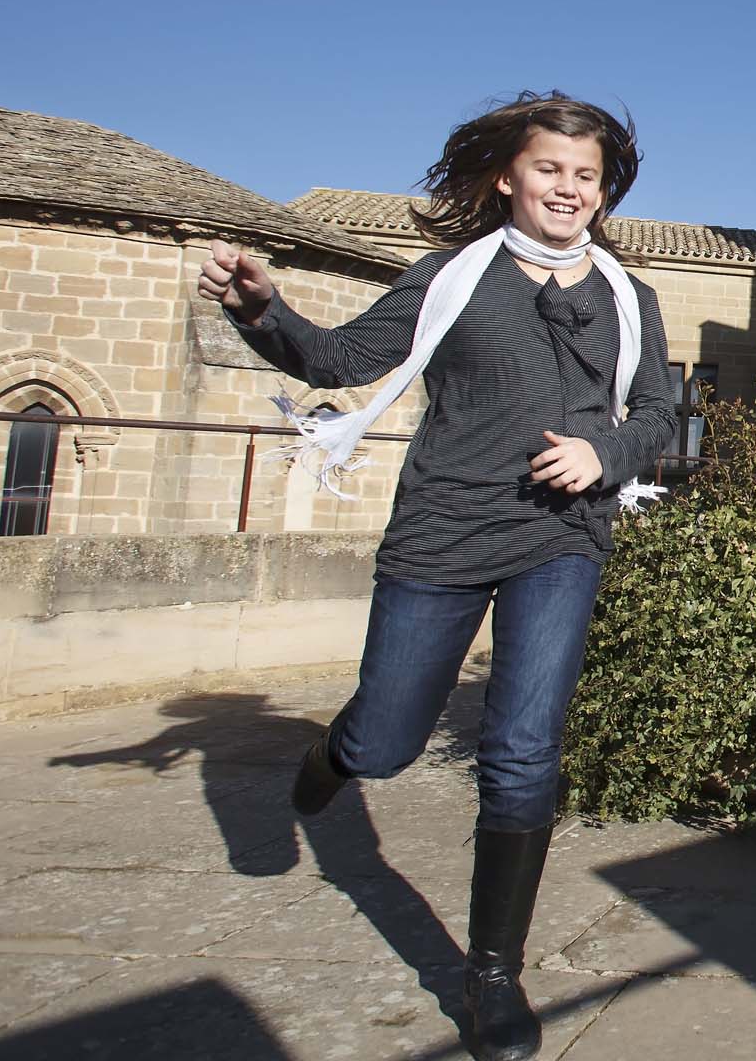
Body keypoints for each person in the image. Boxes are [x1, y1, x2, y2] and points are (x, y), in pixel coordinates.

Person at [197, 91, 677, 1061]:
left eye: (587, 176)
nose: (569, 190)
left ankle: (491, 972)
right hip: (443, 535)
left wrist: (607, 457)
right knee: (386, 742)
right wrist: (263, 308)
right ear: (509, 174)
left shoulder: (631, 298)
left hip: (563, 539)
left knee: (523, 754)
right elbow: (336, 357)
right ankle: (339, 751)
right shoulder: (453, 278)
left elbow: (663, 411)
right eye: (550, 169)